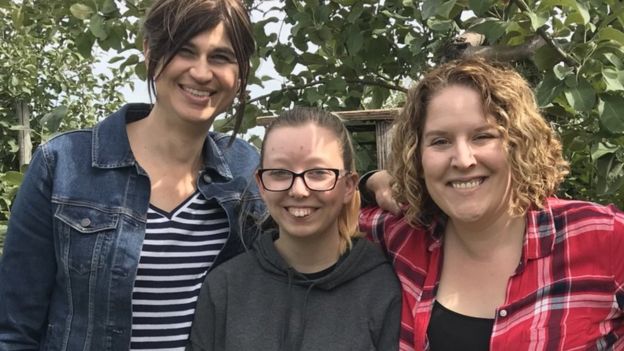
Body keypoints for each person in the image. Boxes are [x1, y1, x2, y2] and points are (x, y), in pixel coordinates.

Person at [0, 0, 266, 350]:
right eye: (184, 51)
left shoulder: (246, 169)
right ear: (149, 52)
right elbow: (14, 328)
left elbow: (315, 223)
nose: (202, 73)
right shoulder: (64, 164)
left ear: (241, 70)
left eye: (221, 57)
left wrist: (365, 182)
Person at [359, 57, 624, 351]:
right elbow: (323, 202)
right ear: (416, 155)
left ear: (518, 141)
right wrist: (369, 182)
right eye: (440, 141)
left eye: (482, 136)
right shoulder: (404, 233)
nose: (462, 160)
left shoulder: (602, 236)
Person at [187, 107, 402, 351]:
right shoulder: (224, 287)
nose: (298, 191)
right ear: (261, 185)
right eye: (279, 173)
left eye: (318, 173)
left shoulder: (383, 287)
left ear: (349, 186)